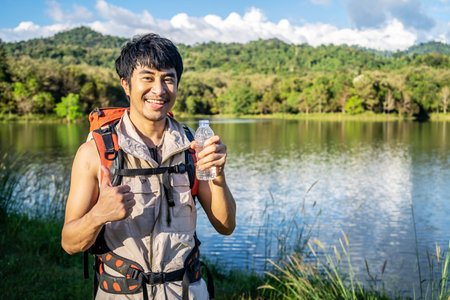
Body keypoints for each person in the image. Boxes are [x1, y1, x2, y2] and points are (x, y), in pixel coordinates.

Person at [61, 33, 236, 299]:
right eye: (147, 77)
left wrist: (219, 177)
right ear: (126, 84)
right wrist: (100, 214)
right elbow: (70, 243)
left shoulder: (193, 147)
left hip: (187, 292)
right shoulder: (94, 153)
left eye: (168, 78)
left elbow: (225, 226)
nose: (159, 89)